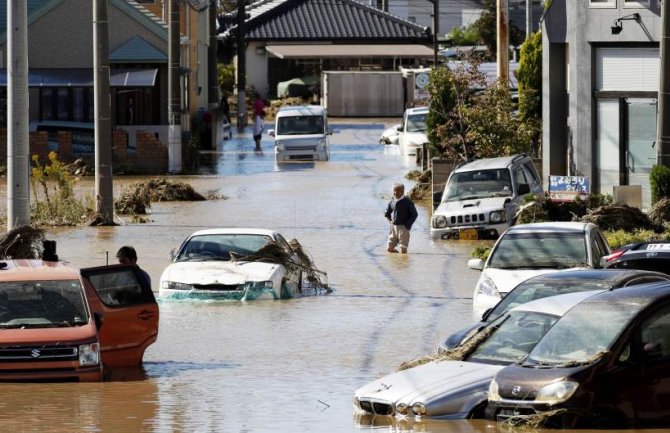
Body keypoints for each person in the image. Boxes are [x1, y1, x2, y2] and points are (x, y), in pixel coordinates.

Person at [384, 183, 418, 254]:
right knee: (389, 249)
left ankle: (403, 264)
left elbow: (414, 214)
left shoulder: (408, 202)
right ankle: (397, 262)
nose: (395, 193)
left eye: (398, 191)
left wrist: (407, 225)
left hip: (403, 228)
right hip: (393, 227)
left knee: (403, 250)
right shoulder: (392, 202)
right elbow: (387, 213)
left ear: (402, 191)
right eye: (394, 191)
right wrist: (390, 222)